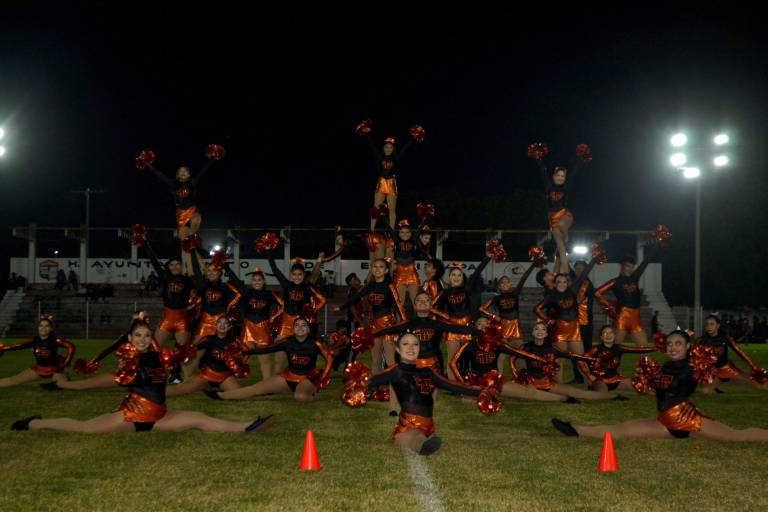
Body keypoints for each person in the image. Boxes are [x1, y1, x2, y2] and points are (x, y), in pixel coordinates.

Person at [12, 318, 273, 433]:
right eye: (137, 336)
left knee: (199, 419)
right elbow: (121, 362)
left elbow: (165, 353)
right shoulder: (129, 359)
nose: (143, 339)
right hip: (130, 417)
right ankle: (34, 423)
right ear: (130, 338)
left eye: (147, 335)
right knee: (85, 427)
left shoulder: (157, 356)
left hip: (160, 418)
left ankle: (246, 427)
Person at [551, 330, 768, 440]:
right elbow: (656, 388)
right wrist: (643, 380)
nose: (673, 347)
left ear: (688, 346)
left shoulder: (694, 365)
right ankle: (576, 430)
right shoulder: (665, 365)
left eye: (678, 344)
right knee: (621, 430)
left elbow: (719, 371)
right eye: (670, 343)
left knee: (737, 436)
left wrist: (753, 375)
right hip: (664, 423)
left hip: (690, 422)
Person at [352, 332, 482, 456]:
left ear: (419, 349)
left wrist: (479, 392)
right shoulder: (396, 371)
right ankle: (422, 444)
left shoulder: (428, 372)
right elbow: (372, 381)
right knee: (415, 438)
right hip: (408, 426)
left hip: (428, 425)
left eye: (415, 344)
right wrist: (357, 385)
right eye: (405, 344)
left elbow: (451, 385)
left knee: (425, 436)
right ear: (397, 350)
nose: (411, 347)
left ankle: (426, 440)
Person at [208, 317, 333, 402]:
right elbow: (266, 349)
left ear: (308, 329)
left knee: (300, 397)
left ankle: (310, 392)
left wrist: (322, 378)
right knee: (256, 388)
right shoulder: (288, 342)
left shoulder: (316, 343)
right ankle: (222, 396)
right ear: (293, 329)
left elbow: (330, 358)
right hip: (288, 376)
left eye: (303, 325)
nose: (300, 328)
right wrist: (246, 351)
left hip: (307, 378)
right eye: (297, 325)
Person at [449, 317, 571, 403]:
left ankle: (563, 398)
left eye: (486, 323)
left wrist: (538, 358)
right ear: (475, 327)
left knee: (529, 393)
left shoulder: (496, 344)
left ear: (490, 327)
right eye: (479, 323)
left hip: (496, 382)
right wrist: (462, 382)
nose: (483, 326)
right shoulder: (469, 344)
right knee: (481, 397)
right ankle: (476, 396)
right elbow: (452, 363)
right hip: (477, 382)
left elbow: (516, 352)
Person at [508, 322, 619, 401]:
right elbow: (512, 358)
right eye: (537, 329)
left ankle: (612, 396)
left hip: (548, 383)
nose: (540, 331)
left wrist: (589, 358)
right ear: (532, 333)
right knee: (531, 394)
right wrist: (516, 374)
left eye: (543, 329)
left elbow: (570, 355)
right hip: (531, 383)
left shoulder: (552, 348)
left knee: (578, 393)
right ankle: (562, 399)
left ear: (546, 334)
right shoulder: (526, 347)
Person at [534, 255, 598, 382]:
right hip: (560, 331)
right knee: (559, 361)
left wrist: (594, 258)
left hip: (575, 330)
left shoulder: (573, 290)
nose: (562, 284)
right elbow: (536, 309)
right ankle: (558, 385)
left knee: (580, 359)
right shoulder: (551, 296)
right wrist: (547, 320)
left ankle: (591, 383)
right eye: (559, 282)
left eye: (564, 281)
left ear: (567, 282)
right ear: (555, 283)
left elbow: (585, 272)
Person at [356, 119, 424, 230]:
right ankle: (372, 230)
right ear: (383, 148)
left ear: (393, 149)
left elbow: (405, 149)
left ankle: (391, 232)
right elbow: (372, 146)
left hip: (391, 183)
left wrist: (413, 137)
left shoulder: (396, 158)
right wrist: (367, 133)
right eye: (386, 147)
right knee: (376, 208)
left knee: (392, 209)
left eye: (390, 147)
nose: (388, 149)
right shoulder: (379, 157)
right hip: (382, 182)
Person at [433, 252, 491, 380]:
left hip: (466, 327)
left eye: (459, 275)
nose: (456, 277)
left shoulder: (467, 289)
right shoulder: (444, 292)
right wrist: (446, 317)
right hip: (452, 329)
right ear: (449, 277)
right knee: (452, 359)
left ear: (462, 277)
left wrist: (487, 258)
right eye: (453, 274)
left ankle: (467, 382)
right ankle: (453, 386)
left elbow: (476, 273)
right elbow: (431, 307)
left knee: (467, 358)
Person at [221, 263, 283, 380]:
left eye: (259, 280)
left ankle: (267, 384)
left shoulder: (269, 294)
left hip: (263, 329)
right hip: (248, 328)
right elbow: (235, 280)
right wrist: (226, 266)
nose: (257, 282)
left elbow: (284, 305)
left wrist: (273, 317)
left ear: (264, 281)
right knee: (241, 357)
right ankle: (232, 381)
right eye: (254, 280)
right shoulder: (247, 292)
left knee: (264, 359)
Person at [142, 150, 222, 238]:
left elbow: (203, 170)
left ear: (188, 174)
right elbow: (159, 174)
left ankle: (192, 237)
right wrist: (147, 164)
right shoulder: (173, 184)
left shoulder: (192, 182)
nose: (183, 172)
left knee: (196, 220)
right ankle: (190, 243)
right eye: (181, 171)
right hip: (180, 213)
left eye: (185, 171)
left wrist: (213, 158)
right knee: (183, 239)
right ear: (177, 175)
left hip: (192, 210)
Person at [595, 242, 663, 344]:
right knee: (615, 349)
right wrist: (609, 306)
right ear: (622, 266)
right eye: (627, 266)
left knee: (644, 350)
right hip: (622, 317)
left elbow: (645, 261)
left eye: (632, 267)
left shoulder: (634, 278)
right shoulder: (615, 282)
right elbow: (597, 293)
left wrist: (658, 243)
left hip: (636, 318)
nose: (630, 269)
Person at [531, 144, 590, 261]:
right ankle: (561, 270)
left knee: (562, 232)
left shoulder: (566, 187)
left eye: (563, 176)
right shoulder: (549, 187)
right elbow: (543, 172)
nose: (560, 178)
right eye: (558, 175)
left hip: (563, 215)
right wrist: (538, 158)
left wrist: (580, 160)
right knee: (560, 248)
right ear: (553, 176)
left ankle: (567, 240)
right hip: (552, 218)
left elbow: (574, 173)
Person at [166, 317, 248, 397]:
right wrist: (177, 354)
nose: (222, 325)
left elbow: (243, 356)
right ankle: (155, 393)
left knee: (241, 395)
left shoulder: (234, 341)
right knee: (180, 389)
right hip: (207, 375)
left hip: (225, 376)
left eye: (225, 323)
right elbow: (192, 349)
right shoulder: (208, 339)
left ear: (230, 327)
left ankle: (219, 390)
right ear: (215, 325)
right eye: (220, 323)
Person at [479, 260, 537, 371]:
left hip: (515, 326)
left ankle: (522, 376)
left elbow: (524, 278)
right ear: (499, 286)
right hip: (504, 327)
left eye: (507, 282)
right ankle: (498, 376)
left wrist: (533, 264)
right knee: (502, 355)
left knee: (520, 353)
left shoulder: (515, 293)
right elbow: (482, 308)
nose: (505, 284)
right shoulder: (496, 298)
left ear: (510, 284)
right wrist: (493, 316)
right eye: (502, 282)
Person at [696, 315, 768, 393]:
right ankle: (718, 381)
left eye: (712, 324)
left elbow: (740, 352)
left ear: (718, 326)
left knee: (757, 384)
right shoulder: (701, 340)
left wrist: (753, 366)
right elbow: (694, 358)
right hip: (711, 370)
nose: (709, 326)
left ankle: (724, 378)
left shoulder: (726, 338)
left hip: (726, 368)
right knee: (706, 391)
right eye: (707, 324)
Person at [0, 315, 74, 387]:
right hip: (39, 369)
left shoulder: (55, 340)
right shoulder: (35, 340)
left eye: (46, 326)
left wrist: (66, 363)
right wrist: (4, 348)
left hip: (54, 370)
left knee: (62, 385)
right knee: (13, 380)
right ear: (38, 328)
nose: (43, 328)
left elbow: (71, 347)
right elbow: (19, 346)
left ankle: (63, 379)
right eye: (41, 326)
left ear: (51, 328)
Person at [577, 325, 657, 392]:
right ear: (601, 337)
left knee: (641, 386)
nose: (608, 335)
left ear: (614, 335)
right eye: (605, 333)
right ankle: (594, 389)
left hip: (615, 380)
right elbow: (580, 360)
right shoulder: (596, 349)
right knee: (603, 394)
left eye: (611, 333)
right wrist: (589, 377)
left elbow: (638, 350)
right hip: (600, 381)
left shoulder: (619, 348)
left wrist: (656, 348)